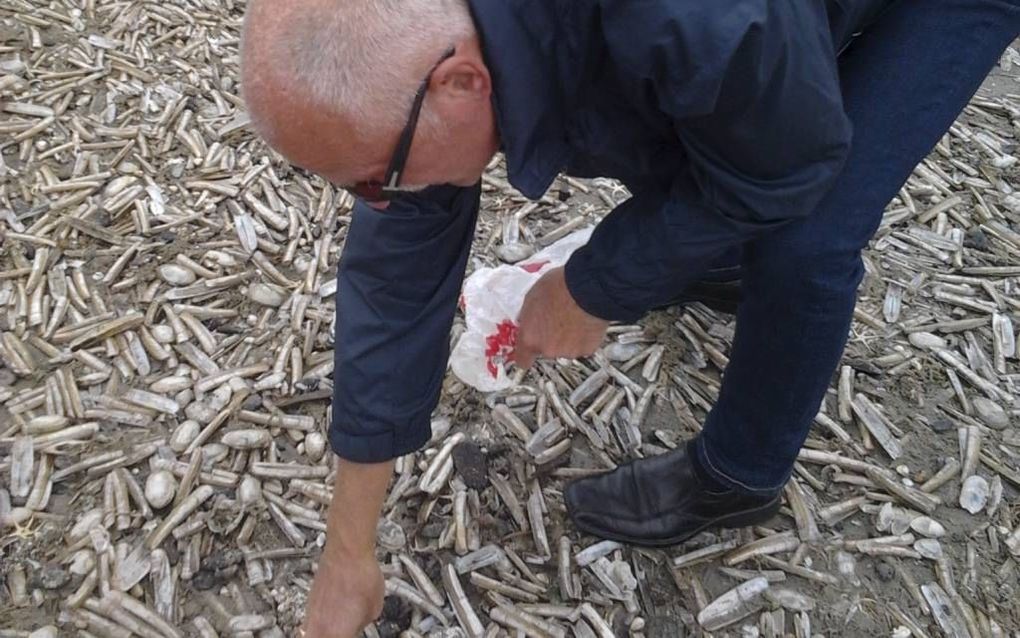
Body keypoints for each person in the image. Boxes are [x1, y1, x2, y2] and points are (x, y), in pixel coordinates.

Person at [240, 0, 1020, 634]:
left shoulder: (699, 22)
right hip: (751, 40)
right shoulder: (417, 65)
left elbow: (790, 162)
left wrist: (594, 288)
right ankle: (718, 257)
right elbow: (394, 286)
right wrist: (347, 557)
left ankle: (742, 472)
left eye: (378, 181)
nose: (380, 201)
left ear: (461, 82)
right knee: (739, 129)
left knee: (805, 232)